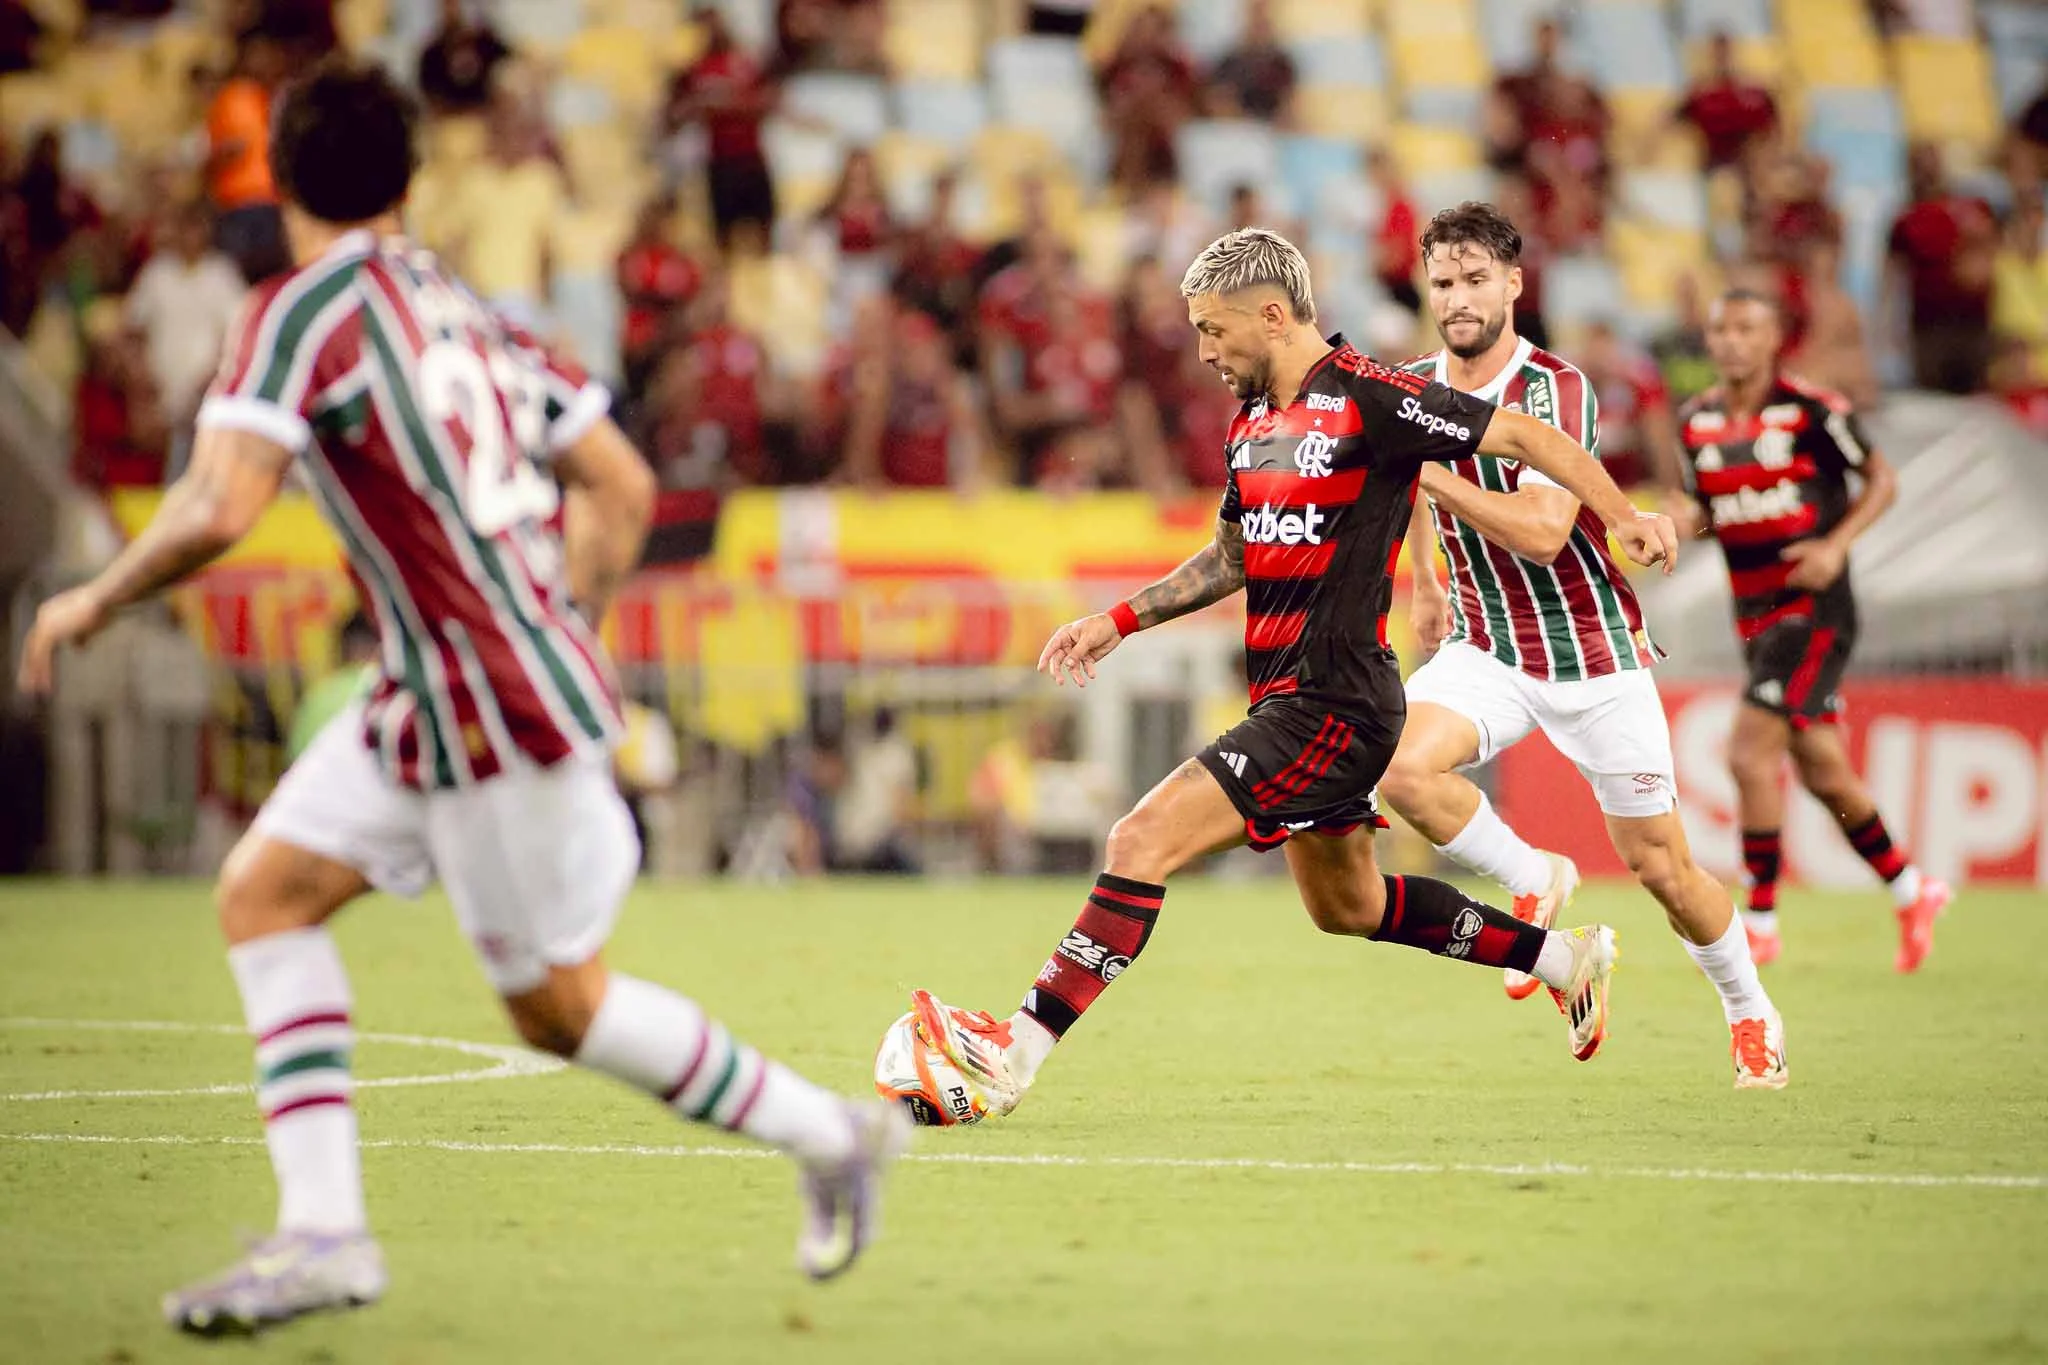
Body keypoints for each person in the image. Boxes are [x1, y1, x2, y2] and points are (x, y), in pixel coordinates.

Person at [16, 59, 906, 1338]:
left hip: (479, 703)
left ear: (276, 177)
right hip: (447, 690)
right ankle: (324, 1235)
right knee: (264, 895)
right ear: (410, 179)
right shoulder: (462, 308)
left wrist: (91, 597)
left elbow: (220, 503)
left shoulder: (296, 311)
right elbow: (624, 487)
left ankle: (830, 1138)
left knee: (558, 1007)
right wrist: (560, 626)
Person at [907, 228, 1681, 1119]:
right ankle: (1560, 958)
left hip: (1334, 706)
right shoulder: (1254, 424)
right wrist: (1116, 621)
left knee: (1138, 841)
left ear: (1273, 316)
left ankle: (1015, 1053)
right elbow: (1231, 556)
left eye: (1214, 330)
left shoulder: (1376, 398)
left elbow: (1524, 435)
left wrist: (1620, 514)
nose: (1204, 351)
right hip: (1290, 697)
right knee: (1346, 904)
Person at [1379, 203, 1783, 1090]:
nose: (1458, 298)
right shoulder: (1411, 384)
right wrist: (1427, 578)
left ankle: (1750, 1010)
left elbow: (1543, 532)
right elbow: (1409, 488)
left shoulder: (1553, 389)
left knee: (1666, 871)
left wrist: (1430, 470)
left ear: (1514, 284)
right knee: (1399, 769)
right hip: (1490, 649)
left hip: (1592, 657)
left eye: (1476, 279)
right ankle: (1535, 875)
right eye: (1443, 282)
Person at [1672, 289, 1951, 972]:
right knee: (1824, 769)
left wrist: (1836, 545)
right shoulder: (1696, 420)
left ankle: (1759, 919)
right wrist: (1675, 523)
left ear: (1773, 340)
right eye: (1722, 329)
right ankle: (1915, 888)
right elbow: (1707, 510)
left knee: (1745, 756)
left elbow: (1881, 480)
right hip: (1753, 612)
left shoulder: (1812, 410)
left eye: (1747, 327)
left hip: (1813, 607)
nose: (1733, 340)